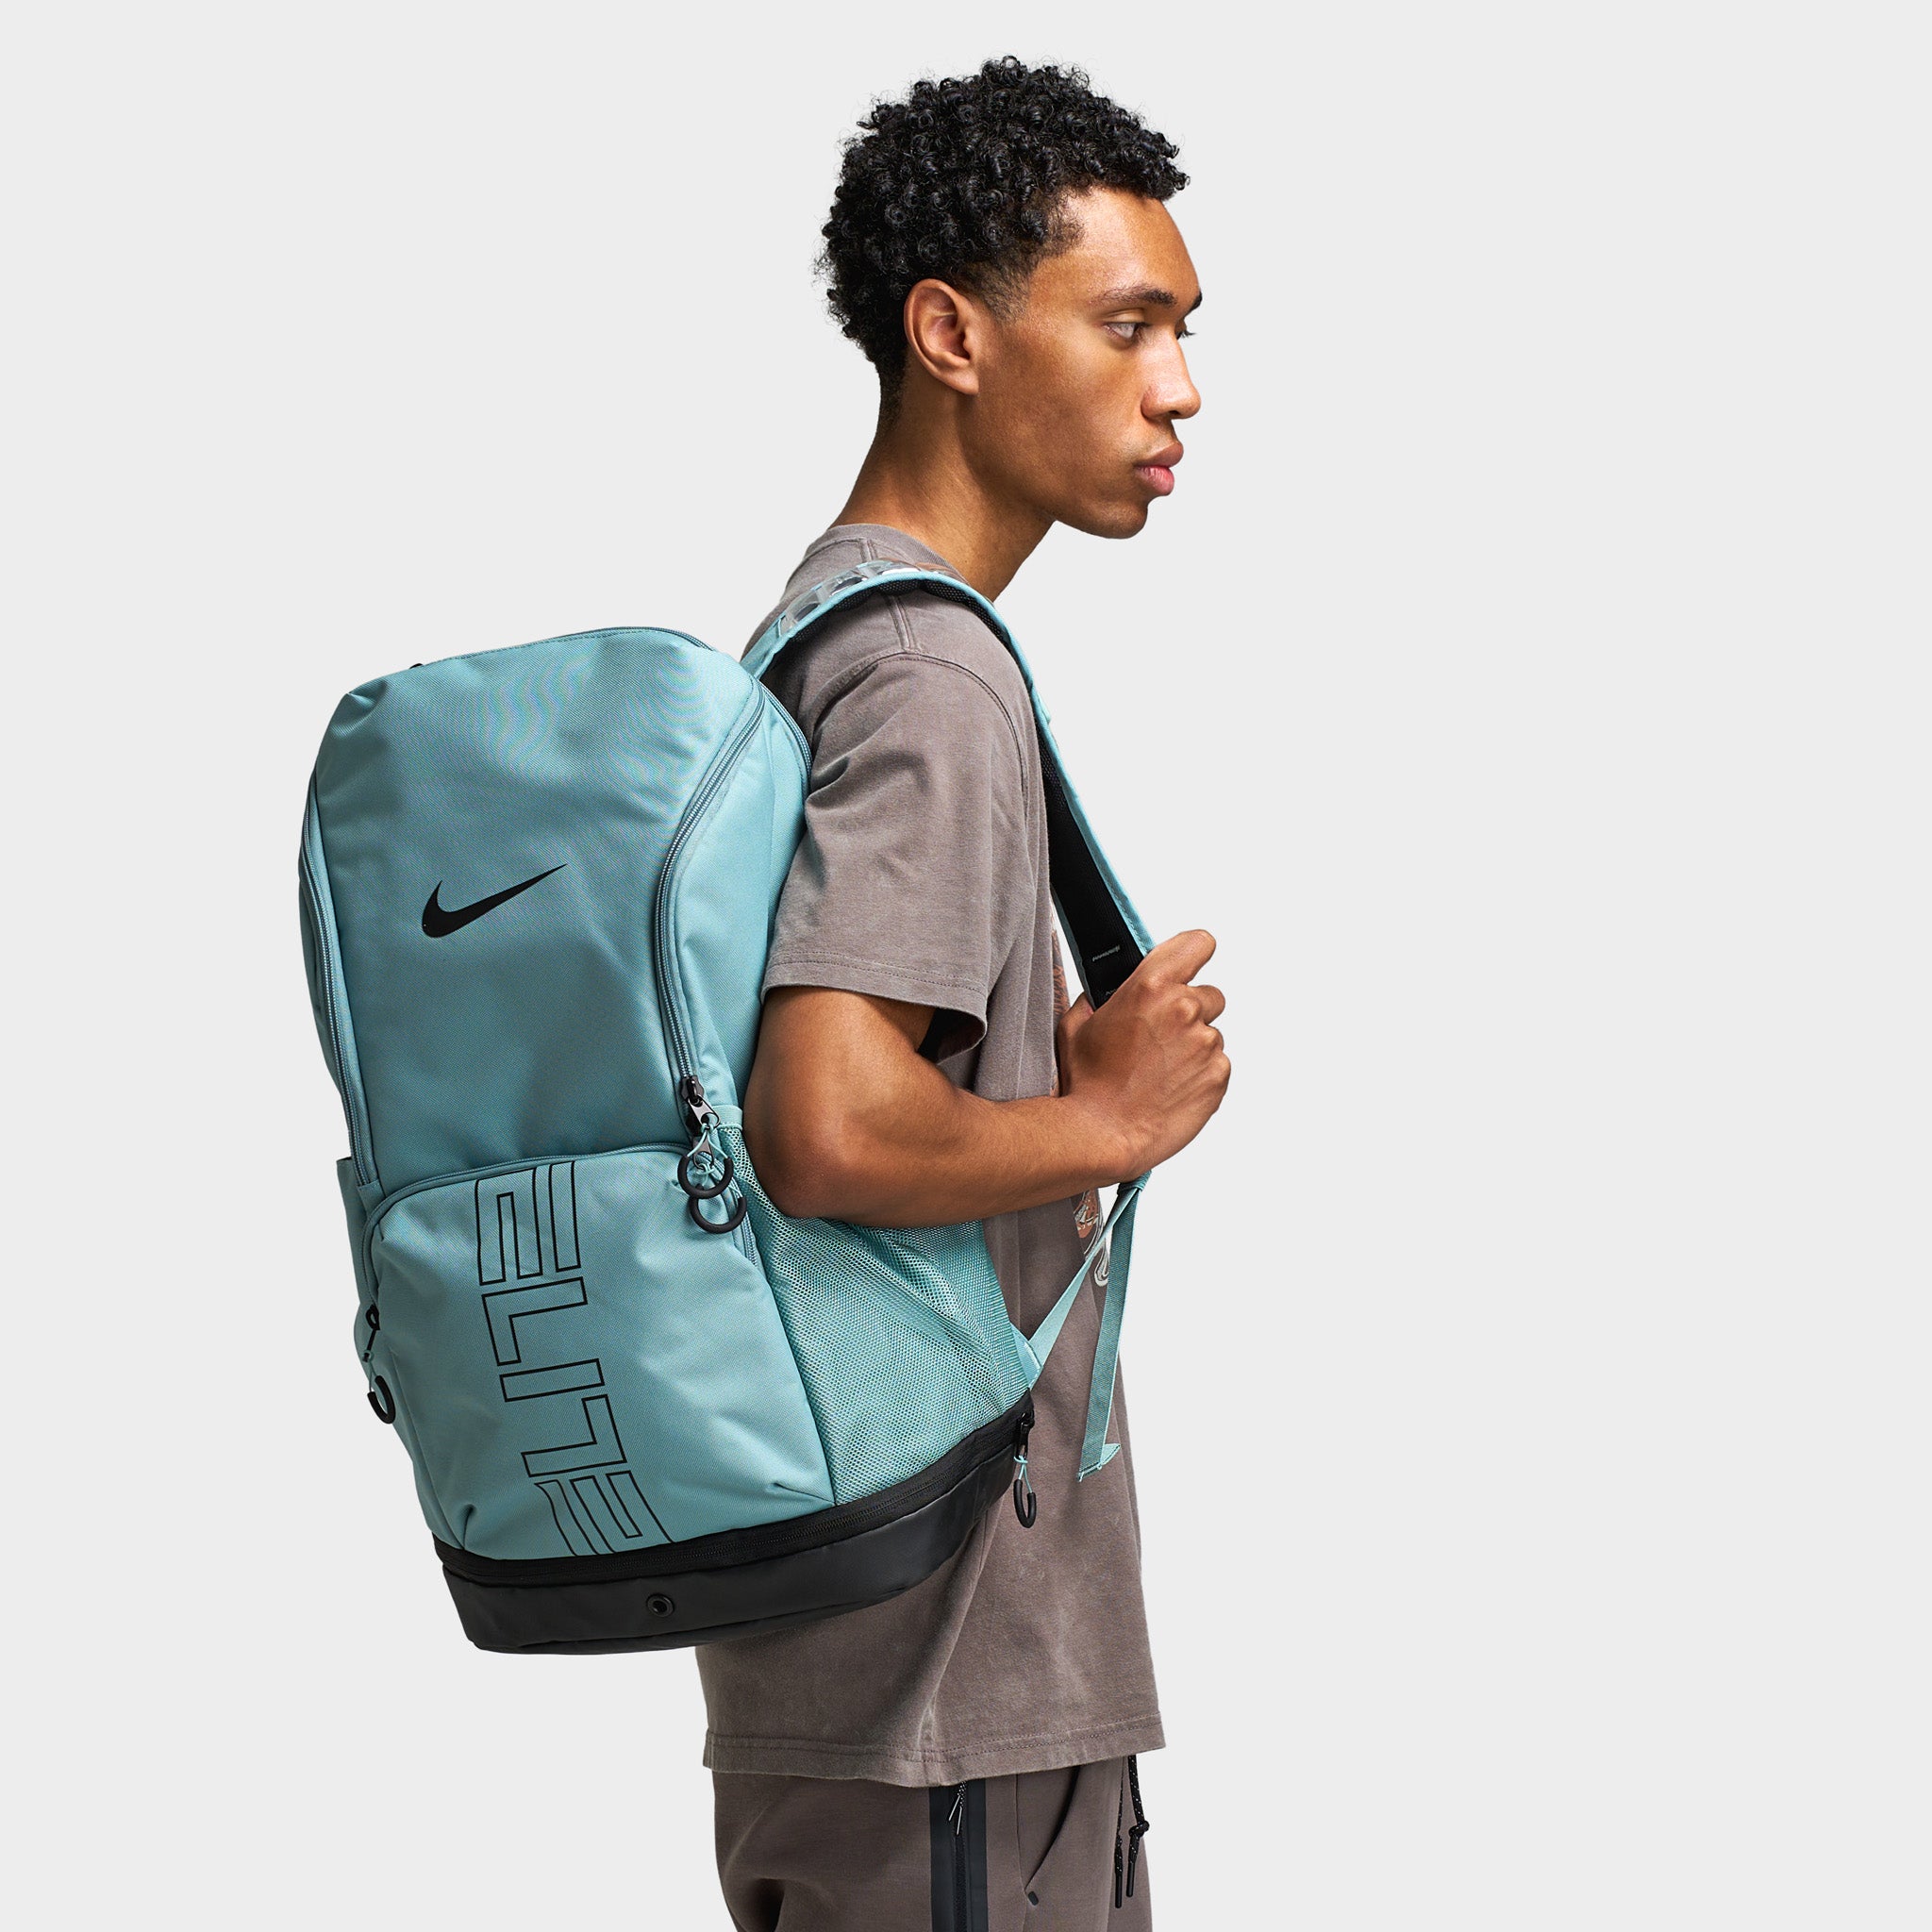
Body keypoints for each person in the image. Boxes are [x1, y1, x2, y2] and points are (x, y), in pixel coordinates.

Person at [697, 58, 1227, 1930]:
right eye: (1128, 323)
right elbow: (826, 1123)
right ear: (952, 335)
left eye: (1184, 330)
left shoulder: (823, 636)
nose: (1179, 386)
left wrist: (1030, 1088)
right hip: (951, 1698)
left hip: (865, 1674)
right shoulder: (931, 673)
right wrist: (1109, 1121)